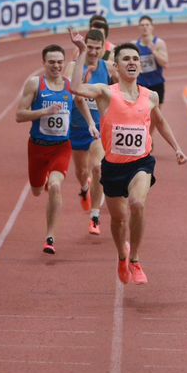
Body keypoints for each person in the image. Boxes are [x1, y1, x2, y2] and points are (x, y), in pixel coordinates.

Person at [69, 30, 187, 285]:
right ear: (116, 66)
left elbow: (162, 122)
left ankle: (134, 259)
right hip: (113, 166)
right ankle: (122, 256)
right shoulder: (105, 93)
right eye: (126, 59)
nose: (132, 62)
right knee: (119, 221)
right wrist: (80, 53)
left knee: (137, 204)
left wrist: (176, 147)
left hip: (141, 163)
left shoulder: (150, 96)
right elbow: (76, 88)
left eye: (135, 58)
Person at [15, 44, 94, 254]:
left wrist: (91, 124)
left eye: (60, 62)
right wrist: (44, 111)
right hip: (38, 148)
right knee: (37, 190)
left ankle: (50, 237)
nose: (56, 66)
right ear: (44, 63)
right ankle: (47, 183)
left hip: (62, 147)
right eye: (51, 62)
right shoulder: (35, 84)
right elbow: (19, 115)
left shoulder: (69, 85)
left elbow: (81, 101)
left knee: (56, 186)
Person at [64, 29, 114, 235]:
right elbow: (72, 92)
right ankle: (84, 189)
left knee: (97, 168)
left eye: (97, 48)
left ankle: (95, 215)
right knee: (82, 173)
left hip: (98, 130)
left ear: (104, 49)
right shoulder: (73, 67)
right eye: (89, 47)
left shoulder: (110, 68)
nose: (93, 52)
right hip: (77, 128)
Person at [135, 16, 168, 107]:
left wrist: (154, 52)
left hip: (156, 83)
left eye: (147, 25)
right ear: (139, 28)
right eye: (142, 25)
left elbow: (164, 63)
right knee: (142, 113)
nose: (145, 27)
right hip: (141, 85)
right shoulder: (135, 45)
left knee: (157, 115)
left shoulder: (159, 43)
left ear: (152, 27)